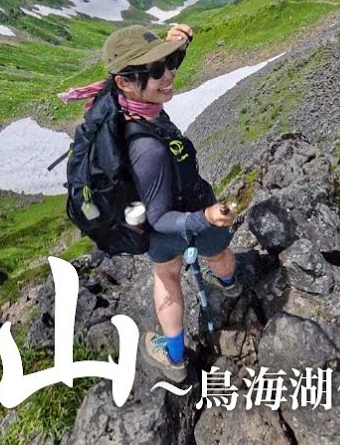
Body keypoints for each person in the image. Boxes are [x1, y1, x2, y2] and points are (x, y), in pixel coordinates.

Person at [93, 23, 239, 382]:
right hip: (182, 221)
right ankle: (228, 286)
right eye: (157, 69)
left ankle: (174, 355)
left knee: (167, 273)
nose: (169, 73)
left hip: (185, 221)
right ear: (125, 82)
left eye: (168, 64)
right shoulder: (147, 149)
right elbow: (158, 218)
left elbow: (162, 70)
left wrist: (179, 46)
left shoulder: (135, 101)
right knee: (177, 272)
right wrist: (203, 218)